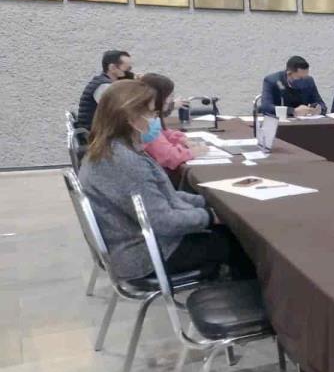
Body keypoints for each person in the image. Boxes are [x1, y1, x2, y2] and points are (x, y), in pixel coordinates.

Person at [79, 81, 254, 282]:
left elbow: (163, 197)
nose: (156, 119)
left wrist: (210, 202)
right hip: (146, 255)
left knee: (225, 229)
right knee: (241, 240)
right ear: (130, 117)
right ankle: (243, 298)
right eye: (152, 113)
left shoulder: (112, 149)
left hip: (137, 244)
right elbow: (164, 222)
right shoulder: (126, 161)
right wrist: (210, 216)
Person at [139, 74, 209, 171]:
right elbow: (168, 156)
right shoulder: (143, 122)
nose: (171, 100)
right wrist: (193, 152)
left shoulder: (146, 115)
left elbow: (162, 132)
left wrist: (182, 140)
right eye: (170, 96)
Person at [77, 50, 134, 130]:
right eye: (127, 70)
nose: (129, 73)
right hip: (95, 133)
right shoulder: (104, 86)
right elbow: (120, 112)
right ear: (112, 68)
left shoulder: (104, 83)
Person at [260, 56, 326, 118]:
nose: (303, 81)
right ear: (289, 74)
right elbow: (266, 107)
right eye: (300, 78)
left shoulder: (309, 81)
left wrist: (317, 109)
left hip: (303, 122)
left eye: (305, 77)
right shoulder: (272, 81)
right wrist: (293, 111)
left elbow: (321, 104)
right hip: (280, 122)